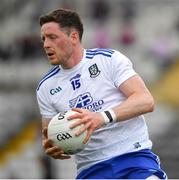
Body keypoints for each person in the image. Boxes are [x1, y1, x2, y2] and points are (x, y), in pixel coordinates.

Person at [36, 8, 167, 179]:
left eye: (52, 37)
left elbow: (145, 100)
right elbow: (49, 134)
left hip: (133, 158)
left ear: (73, 37)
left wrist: (101, 117)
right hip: (91, 169)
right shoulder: (45, 87)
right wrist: (52, 146)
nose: (46, 44)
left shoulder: (108, 60)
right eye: (44, 39)